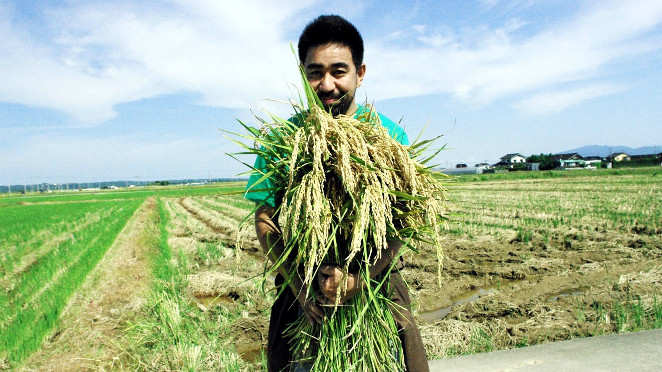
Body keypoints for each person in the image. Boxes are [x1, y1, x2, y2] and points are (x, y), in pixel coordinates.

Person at [245, 15, 429, 372]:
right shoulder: (282, 141)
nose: (327, 84)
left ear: (360, 73)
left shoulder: (389, 137)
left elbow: (405, 222)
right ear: (303, 74)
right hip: (305, 299)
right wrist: (299, 283)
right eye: (315, 72)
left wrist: (360, 279)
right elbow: (265, 219)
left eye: (338, 71)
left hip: (375, 292)